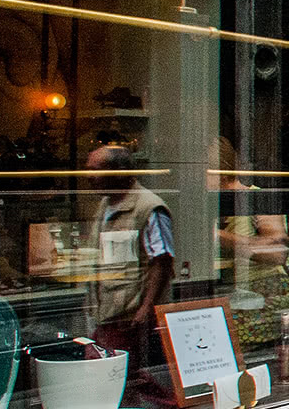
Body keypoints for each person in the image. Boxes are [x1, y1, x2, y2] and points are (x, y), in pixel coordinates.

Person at [86, 146, 176, 405]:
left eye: (95, 171)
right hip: (107, 310)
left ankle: (171, 405)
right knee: (118, 376)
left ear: (118, 172)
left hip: (129, 313)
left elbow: (162, 261)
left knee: (124, 375)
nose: (88, 176)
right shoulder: (105, 205)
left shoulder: (149, 207)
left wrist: (146, 308)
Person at [210, 139, 289, 346]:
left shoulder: (256, 198)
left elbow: (277, 253)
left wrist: (217, 236)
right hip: (229, 294)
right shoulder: (210, 203)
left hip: (262, 297)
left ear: (218, 170)